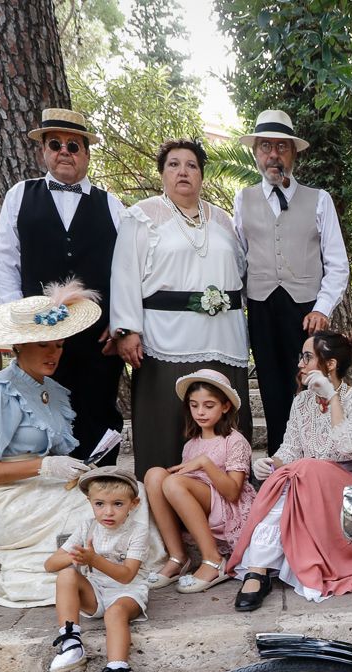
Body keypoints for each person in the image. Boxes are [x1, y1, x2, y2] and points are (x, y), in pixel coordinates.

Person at [0, 281, 163, 608]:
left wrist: (74, 468)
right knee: (100, 507)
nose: (54, 354)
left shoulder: (51, 388)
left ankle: (127, 569)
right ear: (20, 345)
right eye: (43, 345)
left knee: (127, 491)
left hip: (38, 486)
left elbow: (51, 452)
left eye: (60, 345)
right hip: (3, 500)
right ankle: (105, 574)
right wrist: (45, 466)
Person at [108, 139, 252, 476]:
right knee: (167, 419)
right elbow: (125, 273)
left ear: (201, 174)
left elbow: (242, 273)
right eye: (174, 164)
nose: (183, 171)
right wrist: (127, 330)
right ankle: (164, 503)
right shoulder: (142, 216)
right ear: (162, 173)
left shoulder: (222, 220)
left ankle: (224, 505)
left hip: (222, 336)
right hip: (166, 337)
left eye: (191, 165)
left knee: (221, 420)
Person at [0, 108, 125, 464]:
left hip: (99, 338)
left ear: (86, 153)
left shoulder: (111, 204)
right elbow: (6, 262)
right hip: (40, 334)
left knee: (98, 412)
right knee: (39, 415)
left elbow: (128, 269)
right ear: (44, 152)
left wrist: (121, 322)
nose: (65, 151)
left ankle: (100, 491)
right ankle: (51, 499)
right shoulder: (20, 195)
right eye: (56, 144)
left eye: (74, 145)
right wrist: (18, 323)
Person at [225, 332, 352, 611]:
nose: (300, 363)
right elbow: (290, 450)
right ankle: (258, 569)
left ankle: (257, 569)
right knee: (290, 473)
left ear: (331, 364)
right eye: (301, 357)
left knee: (305, 469)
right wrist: (272, 463)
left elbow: (348, 448)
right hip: (308, 484)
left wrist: (332, 398)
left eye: (307, 357)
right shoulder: (301, 402)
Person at [232, 110, 349, 458]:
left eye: (281, 147)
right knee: (271, 388)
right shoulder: (244, 199)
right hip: (262, 306)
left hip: (305, 311)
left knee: (311, 386)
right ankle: (279, 466)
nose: (273, 154)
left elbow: (338, 264)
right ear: (255, 153)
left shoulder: (319, 199)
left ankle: (316, 462)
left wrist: (321, 308)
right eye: (266, 146)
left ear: (293, 154)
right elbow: (238, 259)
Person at [44, 468, 148, 672]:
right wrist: (75, 556)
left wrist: (93, 559)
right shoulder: (87, 527)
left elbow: (126, 576)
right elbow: (49, 565)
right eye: (99, 504)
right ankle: (71, 642)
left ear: (133, 505)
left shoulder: (138, 531)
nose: (108, 512)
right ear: (89, 502)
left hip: (128, 593)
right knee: (66, 575)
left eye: (117, 504)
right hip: (97, 591)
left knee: (115, 614)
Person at [143, 369, 256, 593]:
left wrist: (205, 463)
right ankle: (177, 557)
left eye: (209, 405)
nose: (200, 412)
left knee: (173, 483)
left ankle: (214, 559)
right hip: (200, 505)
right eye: (194, 405)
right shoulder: (191, 444)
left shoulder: (234, 441)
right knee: (154, 475)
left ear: (225, 407)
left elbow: (233, 492)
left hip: (228, 507)